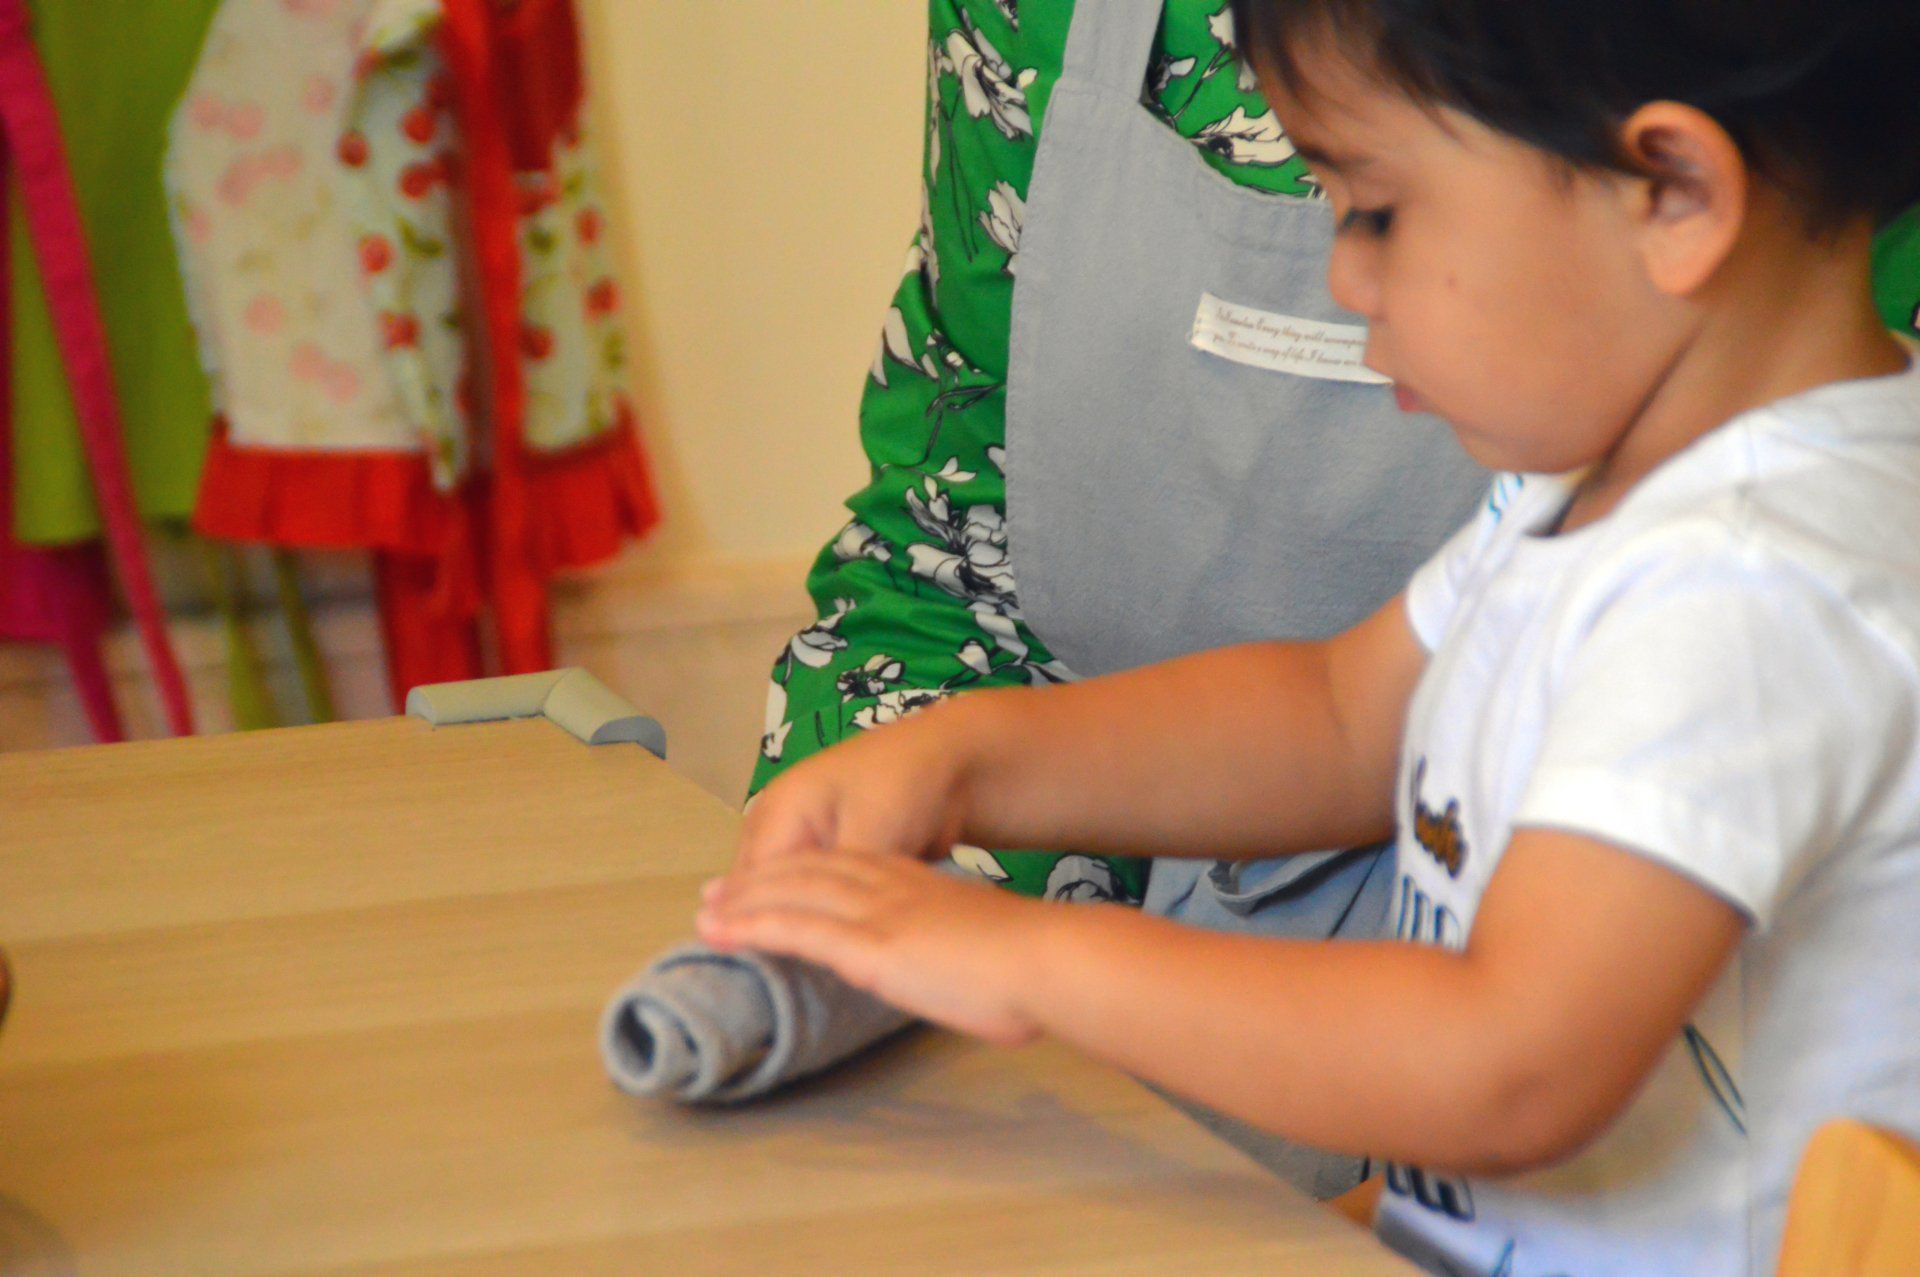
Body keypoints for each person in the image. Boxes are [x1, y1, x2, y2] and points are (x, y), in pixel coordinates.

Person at [703, 0, 1920, 1271]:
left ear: (1672, 191)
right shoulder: (1623, 486)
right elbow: (1341, 715)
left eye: (1377, 211)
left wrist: (1027, 959)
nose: (1344, 280)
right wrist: (968, 760)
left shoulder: (1753, 590)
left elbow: (1508, 1065)